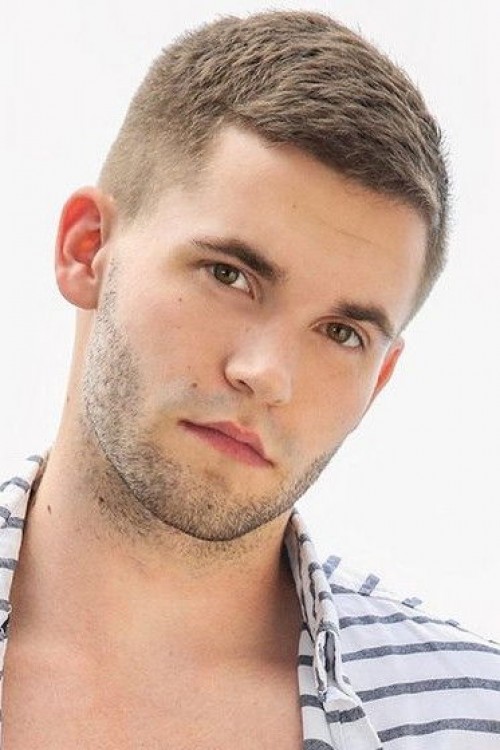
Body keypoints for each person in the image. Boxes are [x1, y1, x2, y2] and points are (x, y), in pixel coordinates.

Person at [0, 9, 498, 749]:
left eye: (341, 333)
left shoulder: (472, 721)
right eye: (229, 275)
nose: (266, 375)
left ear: (381, 378)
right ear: (87, 249)